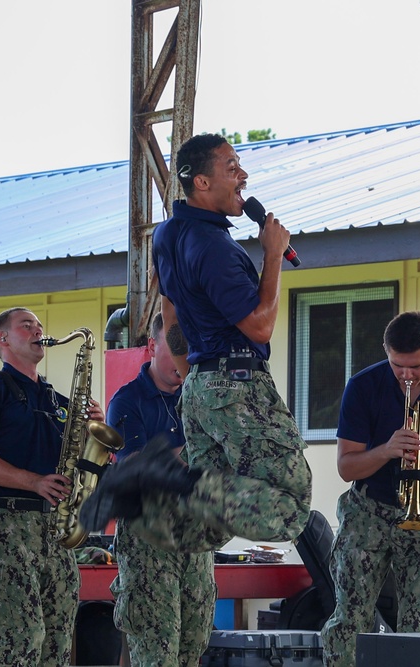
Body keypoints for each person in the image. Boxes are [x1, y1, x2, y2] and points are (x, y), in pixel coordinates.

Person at [81, 133, 313, 614]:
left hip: (205, 386)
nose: (243, 176)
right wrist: (273, 256)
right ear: (202, 181)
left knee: (208, 529)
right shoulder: (215, 248)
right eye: (232, 167)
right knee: (290, 508)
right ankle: (170, 480)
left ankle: (144, 503)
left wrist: (194, 379)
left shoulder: (168, 235)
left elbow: (170, 313)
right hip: (238, 382)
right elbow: (260, 323)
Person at [320, 311, 420, 667]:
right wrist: (386, 450)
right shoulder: (363, 386)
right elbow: (346, 467)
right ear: (385, 351)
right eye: (397, 366)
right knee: (350, 619)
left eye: (417, 367)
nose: (407, 375)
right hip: (368, 510)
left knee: (417, 624)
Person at [0, 307, 106, 666]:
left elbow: (85, 462)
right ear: (3, 339)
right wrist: (34, 481)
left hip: (55, 528)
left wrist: (95, 434)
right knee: (20, 639)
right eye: (26, 325)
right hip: (7, 524)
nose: (38, 330)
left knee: (57, 642)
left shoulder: (60, 402)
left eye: (39, 325)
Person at [106, 313, 215, 667]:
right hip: (147, 536)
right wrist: (194, 453)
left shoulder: (199, 396)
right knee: (155, 649)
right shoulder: (127, 401)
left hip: (195, 532)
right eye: (176, 349)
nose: (184, 360)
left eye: (190, 350)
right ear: (152, 346)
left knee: (193, 644)